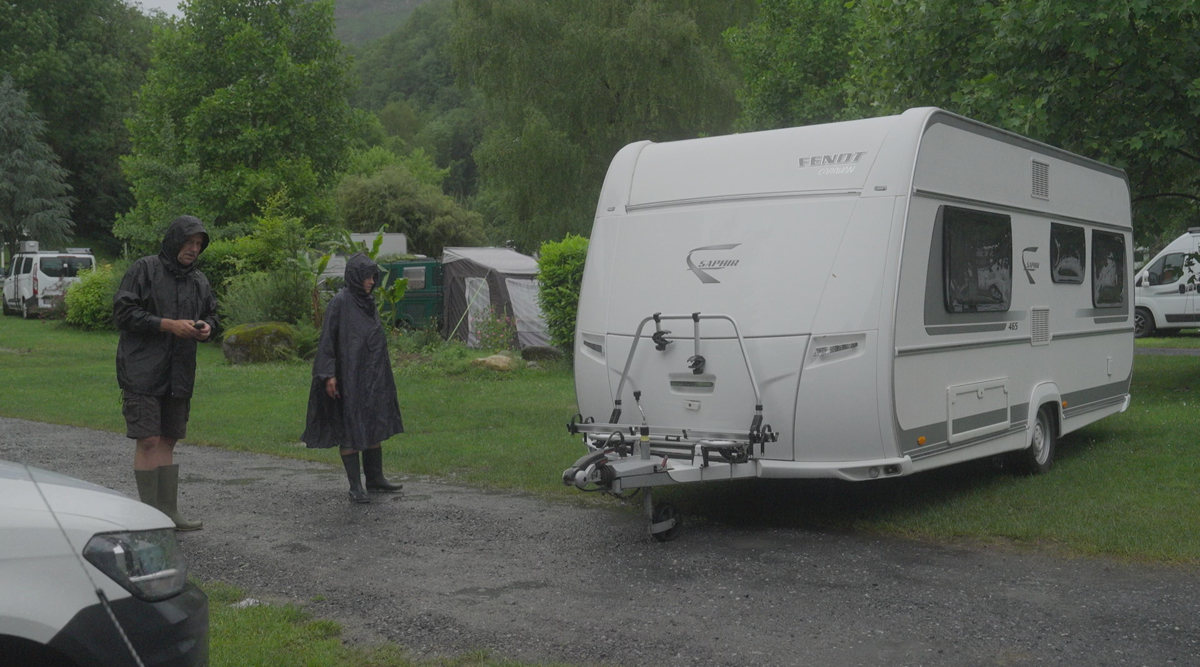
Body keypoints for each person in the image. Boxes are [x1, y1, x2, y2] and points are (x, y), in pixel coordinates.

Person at [113, 215, 217, 531]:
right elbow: (123, 313)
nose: (194, 249)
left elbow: (213, 314)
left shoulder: (199, 281)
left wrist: (208, 328)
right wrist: (167, 325)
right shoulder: (144, 270)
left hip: (180, 370)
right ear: (174, 241)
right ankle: (149, 518)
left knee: (168, 440)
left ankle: (169, 513)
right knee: (148, 440)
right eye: (189, 242)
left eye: (198, 244)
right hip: (142, 369)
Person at [302, 253, 405, 502]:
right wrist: (328, 374)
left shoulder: (367, 301)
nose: (372, 281)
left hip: (373, 373)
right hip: (348, 375)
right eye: (367, 277)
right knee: (350, 423)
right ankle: (355, 486)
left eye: (373, 277)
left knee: (374, 421)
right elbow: (328, 339)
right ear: (356, 277)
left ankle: (375, 478)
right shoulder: (340, 302)